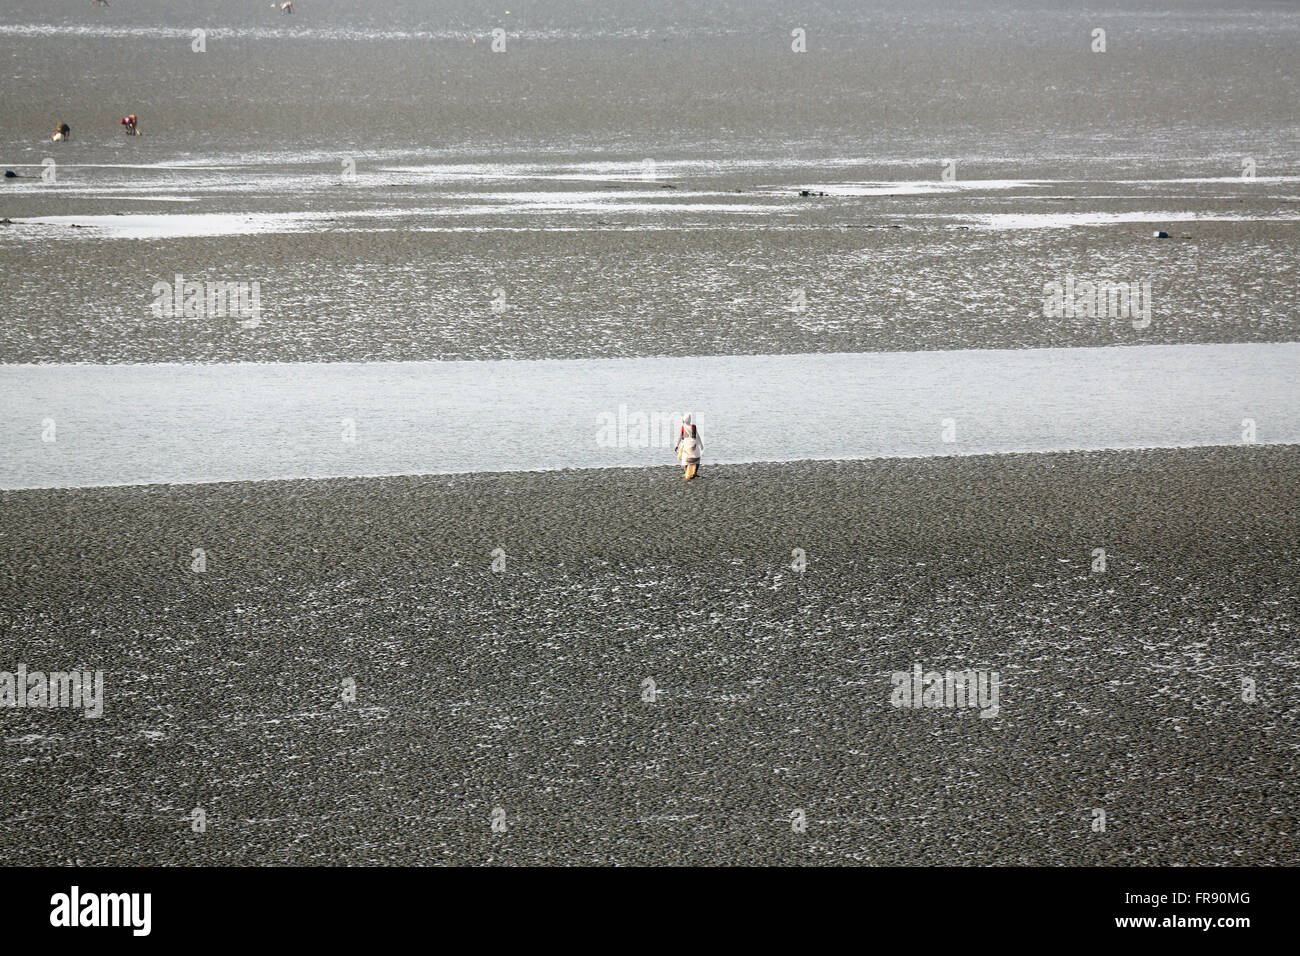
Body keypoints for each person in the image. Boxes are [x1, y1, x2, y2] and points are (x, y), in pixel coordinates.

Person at [674, 412, 703, 481]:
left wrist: (677, 445)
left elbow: (680, 436)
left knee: (685, 460)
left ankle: (686, 473)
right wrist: (699, 444)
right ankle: (695, 473)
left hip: (686, 445)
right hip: (693, 444)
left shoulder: (683, 427)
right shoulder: (693, 426)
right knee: (697, 459)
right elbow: (695, 437)